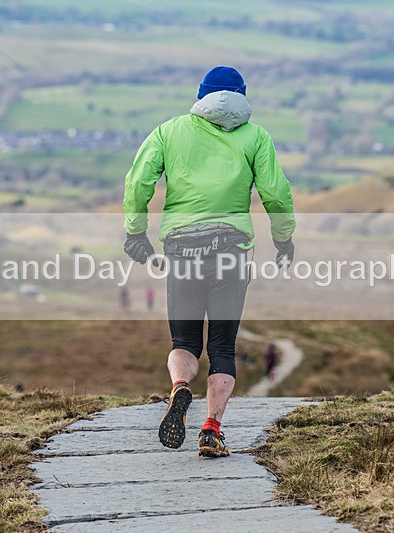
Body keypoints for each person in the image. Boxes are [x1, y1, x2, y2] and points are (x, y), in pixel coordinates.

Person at [123, 66, 296, 458]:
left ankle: (180, 386)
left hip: (183, 249)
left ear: (201, 95)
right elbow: (276, 194)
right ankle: (211, 429)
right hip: (231, 250)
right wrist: (284, 239)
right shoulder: (256, 136)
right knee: (222, 347)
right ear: (243, 95)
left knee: (184, 341)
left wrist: (135, 233)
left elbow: (138, 183)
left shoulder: (170, 130)